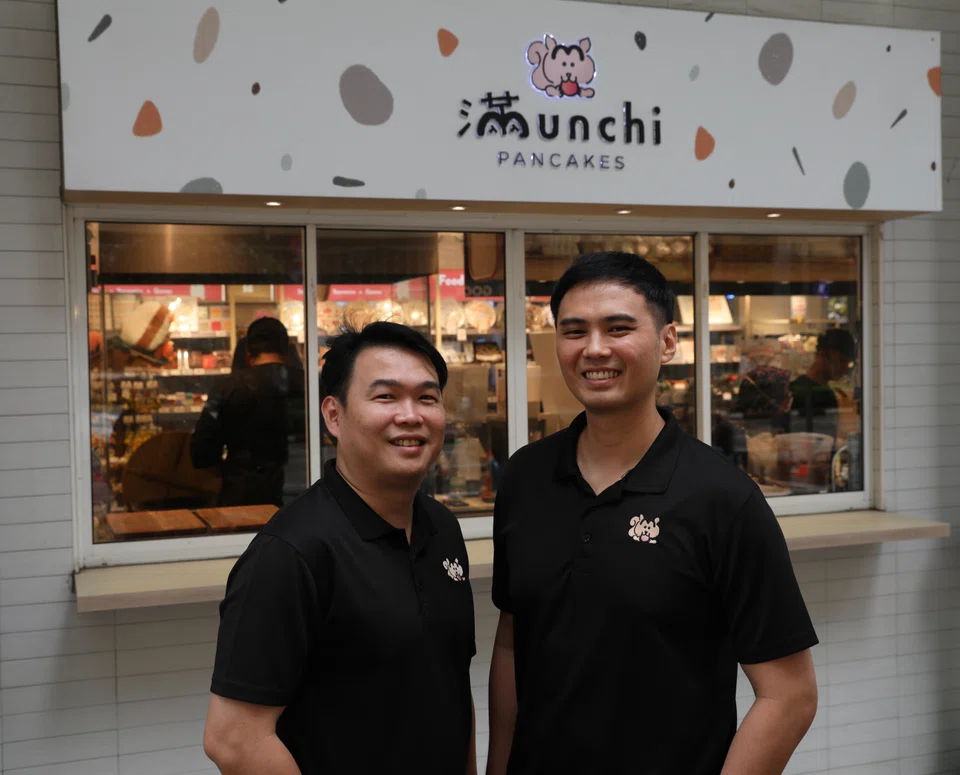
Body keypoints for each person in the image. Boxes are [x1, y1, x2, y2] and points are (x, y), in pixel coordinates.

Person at [487, 252, 819, 775]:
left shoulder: (722, 499)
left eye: (618, 328)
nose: (595, 349)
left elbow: (790, 696)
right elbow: (512, 639)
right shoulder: (526, 479)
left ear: (668, 342)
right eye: (574, 331)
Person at [203, 321, 478, 775]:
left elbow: (451, 682)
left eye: (427, 398)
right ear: (334, 416)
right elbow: (233, 740)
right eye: (385, 397)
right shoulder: (292, 552)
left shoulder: (442, 528)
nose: (410, 415)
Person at [190, 317, 305, 507]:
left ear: (248, 352)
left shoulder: (227, 387)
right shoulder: (308, 385)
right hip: (301, 492)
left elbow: (201, 452)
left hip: (243, 497)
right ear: (286, 351)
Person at [788, 328, 857, 441]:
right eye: (841, 360)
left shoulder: (828, 393)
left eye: (848, 363)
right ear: (822, 355)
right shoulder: (798, 393)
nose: (845, 369)